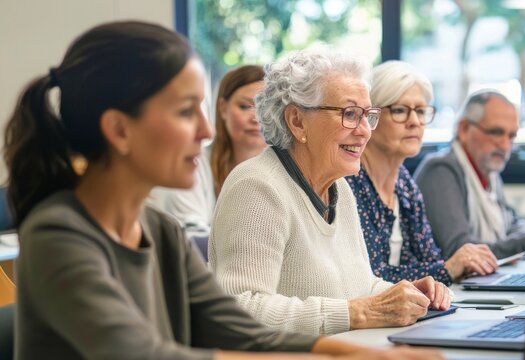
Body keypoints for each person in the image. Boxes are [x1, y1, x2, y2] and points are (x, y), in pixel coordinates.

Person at [3, 21, 443, 360]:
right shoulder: (57, 235)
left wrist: (367, 353)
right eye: (184, 111)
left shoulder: (158, 228)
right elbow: (144, 354)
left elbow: (241, 327)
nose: (207, 130)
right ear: (119, 129)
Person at [210, 49, 452, 336]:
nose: (364, 131)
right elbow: (240, 308)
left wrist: (408, 294)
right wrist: (359, 313)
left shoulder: (340, 189)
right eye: (350, 114)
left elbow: (361, 285)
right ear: (297, 121)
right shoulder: (257, 187)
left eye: (368, 115)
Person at [346, 61, 498, 284]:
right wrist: (447, 269)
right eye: (399, 111)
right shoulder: (349, 182)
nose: (415, 122)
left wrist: (457, 265)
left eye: (420, 111)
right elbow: (368, 278)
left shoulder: (405, 185)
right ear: (371, 117)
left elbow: (429, 259)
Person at [414, 90, 525, 259]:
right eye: (496, 132)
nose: (505, 146)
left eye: (511, 136)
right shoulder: (441, 170)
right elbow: (462, 251)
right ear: (463, 129)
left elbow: (510, 222)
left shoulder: (488, 171)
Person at [150, 65, 266, 227]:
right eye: (245, 106)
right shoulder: (192, 163)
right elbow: (194, 237)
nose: (256, 118)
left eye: (265, 108)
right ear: (222, 108)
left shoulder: (284, 172)